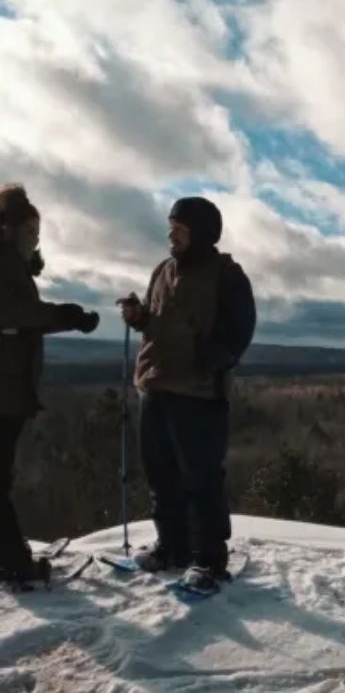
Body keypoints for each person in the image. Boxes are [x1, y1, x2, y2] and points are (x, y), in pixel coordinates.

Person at [118, 196, 255, 593]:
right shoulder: (163, 270)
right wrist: (138, 316)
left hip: (198, 394)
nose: (170, 235)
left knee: (201, 480)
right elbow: (155, 321)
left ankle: (209, 561)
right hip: (155, 386)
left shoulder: (227, 275)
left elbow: (239, 330)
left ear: (201, 232)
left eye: (178, 229)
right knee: (161, 476)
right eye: (170, 227)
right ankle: (172, 547)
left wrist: (206, 362)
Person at [0, 183, 100, 586]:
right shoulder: (3, 262)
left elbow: (20, 323)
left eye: (38, 236)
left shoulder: (13, 265)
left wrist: (66, 319)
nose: (35, 241)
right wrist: (65, 315)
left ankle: (9, 558)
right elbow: (11, 312)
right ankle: (14, 564)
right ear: (8, 229)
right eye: (30, 233)